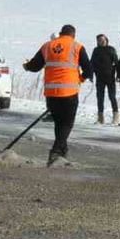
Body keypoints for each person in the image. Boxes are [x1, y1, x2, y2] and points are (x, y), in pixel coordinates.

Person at [23, 24, 93, 165]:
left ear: (61, 33)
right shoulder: (77, 47)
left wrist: (26, 66)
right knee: (67, 123)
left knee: (59, 123)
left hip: (51, 93)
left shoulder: (47, 46)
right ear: (73, 35)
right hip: (69, 92)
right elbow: (89, 70)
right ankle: (55, 151)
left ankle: (62, 151)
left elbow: (35, 66)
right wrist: (80, 79)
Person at [90, 34, 120, 125]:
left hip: (110, 77)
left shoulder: (111, 49)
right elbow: (92, 63)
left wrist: (118, 75)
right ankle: (100, 118)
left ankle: (116, 117)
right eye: (99, 40)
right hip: (99, 77)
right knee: (100, 98)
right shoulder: (96, 50)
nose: (101, 41)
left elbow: (117, 63)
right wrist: (91, 75)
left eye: (103, 40)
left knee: (112, 97)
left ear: (106, 40)